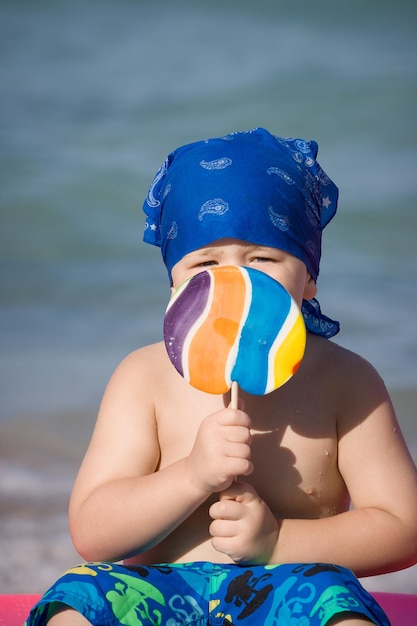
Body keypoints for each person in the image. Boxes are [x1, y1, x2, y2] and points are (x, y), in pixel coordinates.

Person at [26, 128, 417, 626]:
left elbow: (402, 528)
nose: (237, 279)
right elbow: (94, 531)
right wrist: (190, 476)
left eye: (262, 258)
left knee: (341, 611)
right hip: (158, 593)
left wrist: (278, 541)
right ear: (174, 282)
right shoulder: (143, 377)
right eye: (206, 262)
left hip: (286, 591)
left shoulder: (348, 381)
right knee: (75, 598)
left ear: (310, 275)